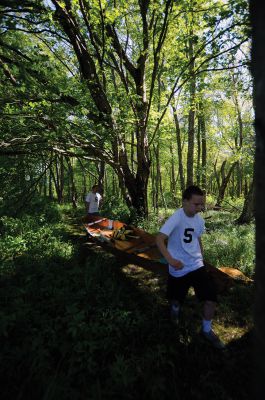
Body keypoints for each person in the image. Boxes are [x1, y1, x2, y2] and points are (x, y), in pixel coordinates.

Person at [156, 185, 225, 350]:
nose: (200, 208)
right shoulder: (176, 218)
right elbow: (159, 239)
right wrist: (171, 260)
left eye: (201, 204)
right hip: (178, 267)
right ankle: (174, 310)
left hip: (196, 264)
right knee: (176, 299)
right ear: (185, 202)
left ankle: (206, 330)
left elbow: (197, 239)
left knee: (211, 298)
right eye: (196, 204)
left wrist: (201, 256)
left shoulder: (199, 220)